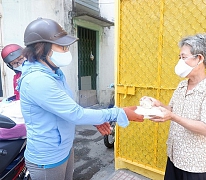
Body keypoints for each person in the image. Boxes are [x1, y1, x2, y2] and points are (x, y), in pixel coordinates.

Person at [17, 18, 144, 180]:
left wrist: (94, 118)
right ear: (42, 48)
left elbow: (67, 107)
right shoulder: (37, 80)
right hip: (47, 158)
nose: (66, 51)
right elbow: (75, 113)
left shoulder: (54, 72)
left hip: (64, 148)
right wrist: (119, 113)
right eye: (62, 47)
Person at [141, 33, 206, 180]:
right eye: (179, 57)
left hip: (196, 165)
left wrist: (173, 117)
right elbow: (172, 110)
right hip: (175, 156)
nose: (180, 61)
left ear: (199, 58)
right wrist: (158, 104)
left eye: (184, 57)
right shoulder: (182, 86)